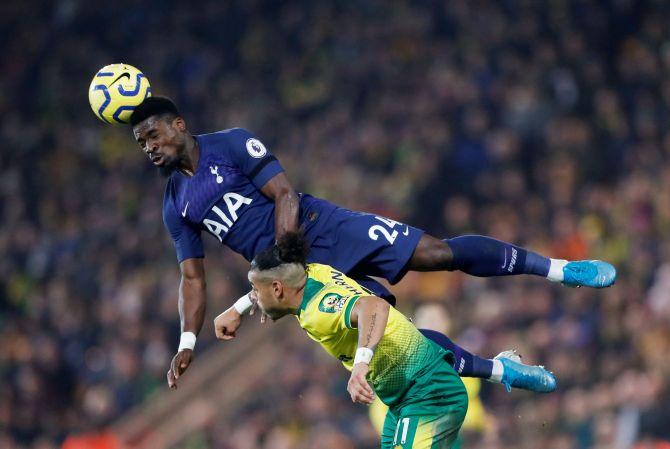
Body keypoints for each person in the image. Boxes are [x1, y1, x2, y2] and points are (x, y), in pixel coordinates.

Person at [128, 96, 616, 389]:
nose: (149, 147)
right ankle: (501, 373)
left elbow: (286, 198)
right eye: (140, 143)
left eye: (152, 134)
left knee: (437, 253)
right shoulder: (176, 204)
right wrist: (186, 341)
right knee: (395, 340)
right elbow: (192, 277)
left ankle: (559, 270)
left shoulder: (231, 143)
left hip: (321, 229)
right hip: (293, 276)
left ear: (179, 125)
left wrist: (267, 278)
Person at [217, 232, 552, 448]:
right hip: (403, 401)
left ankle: (499, 369)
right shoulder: (311, 272)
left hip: (428, 394)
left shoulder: (320, 309)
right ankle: (500, 369)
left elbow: (372, 306)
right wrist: (240, 307)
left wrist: (360, 365)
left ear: (278, 289)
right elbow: (267, 281)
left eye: (257, 295)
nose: (255, 300)